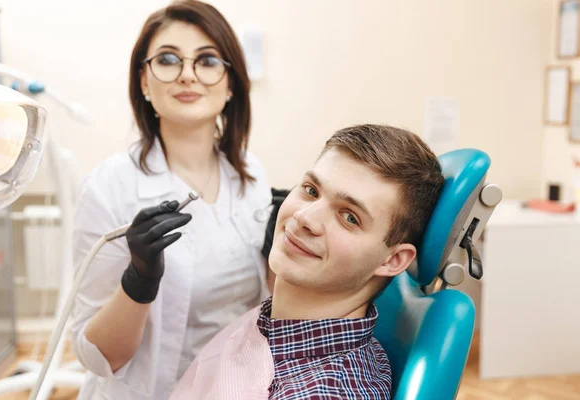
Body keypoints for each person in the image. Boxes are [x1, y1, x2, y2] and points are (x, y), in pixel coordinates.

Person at [71, 1, 275, 399]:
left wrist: (281, 253)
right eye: (167, 60)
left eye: (208, 60)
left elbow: (263, 310)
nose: (187, 75)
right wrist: (139, 282)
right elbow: (96, 356)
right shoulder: (109, 186)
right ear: (144, 81)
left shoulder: (251, 174)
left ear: (231, 82)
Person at [171, 124, 445, 399]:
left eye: (349, 217)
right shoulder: (276, 326)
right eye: (311, 190)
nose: (304, 218)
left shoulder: (321, 392)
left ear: (393, 260)